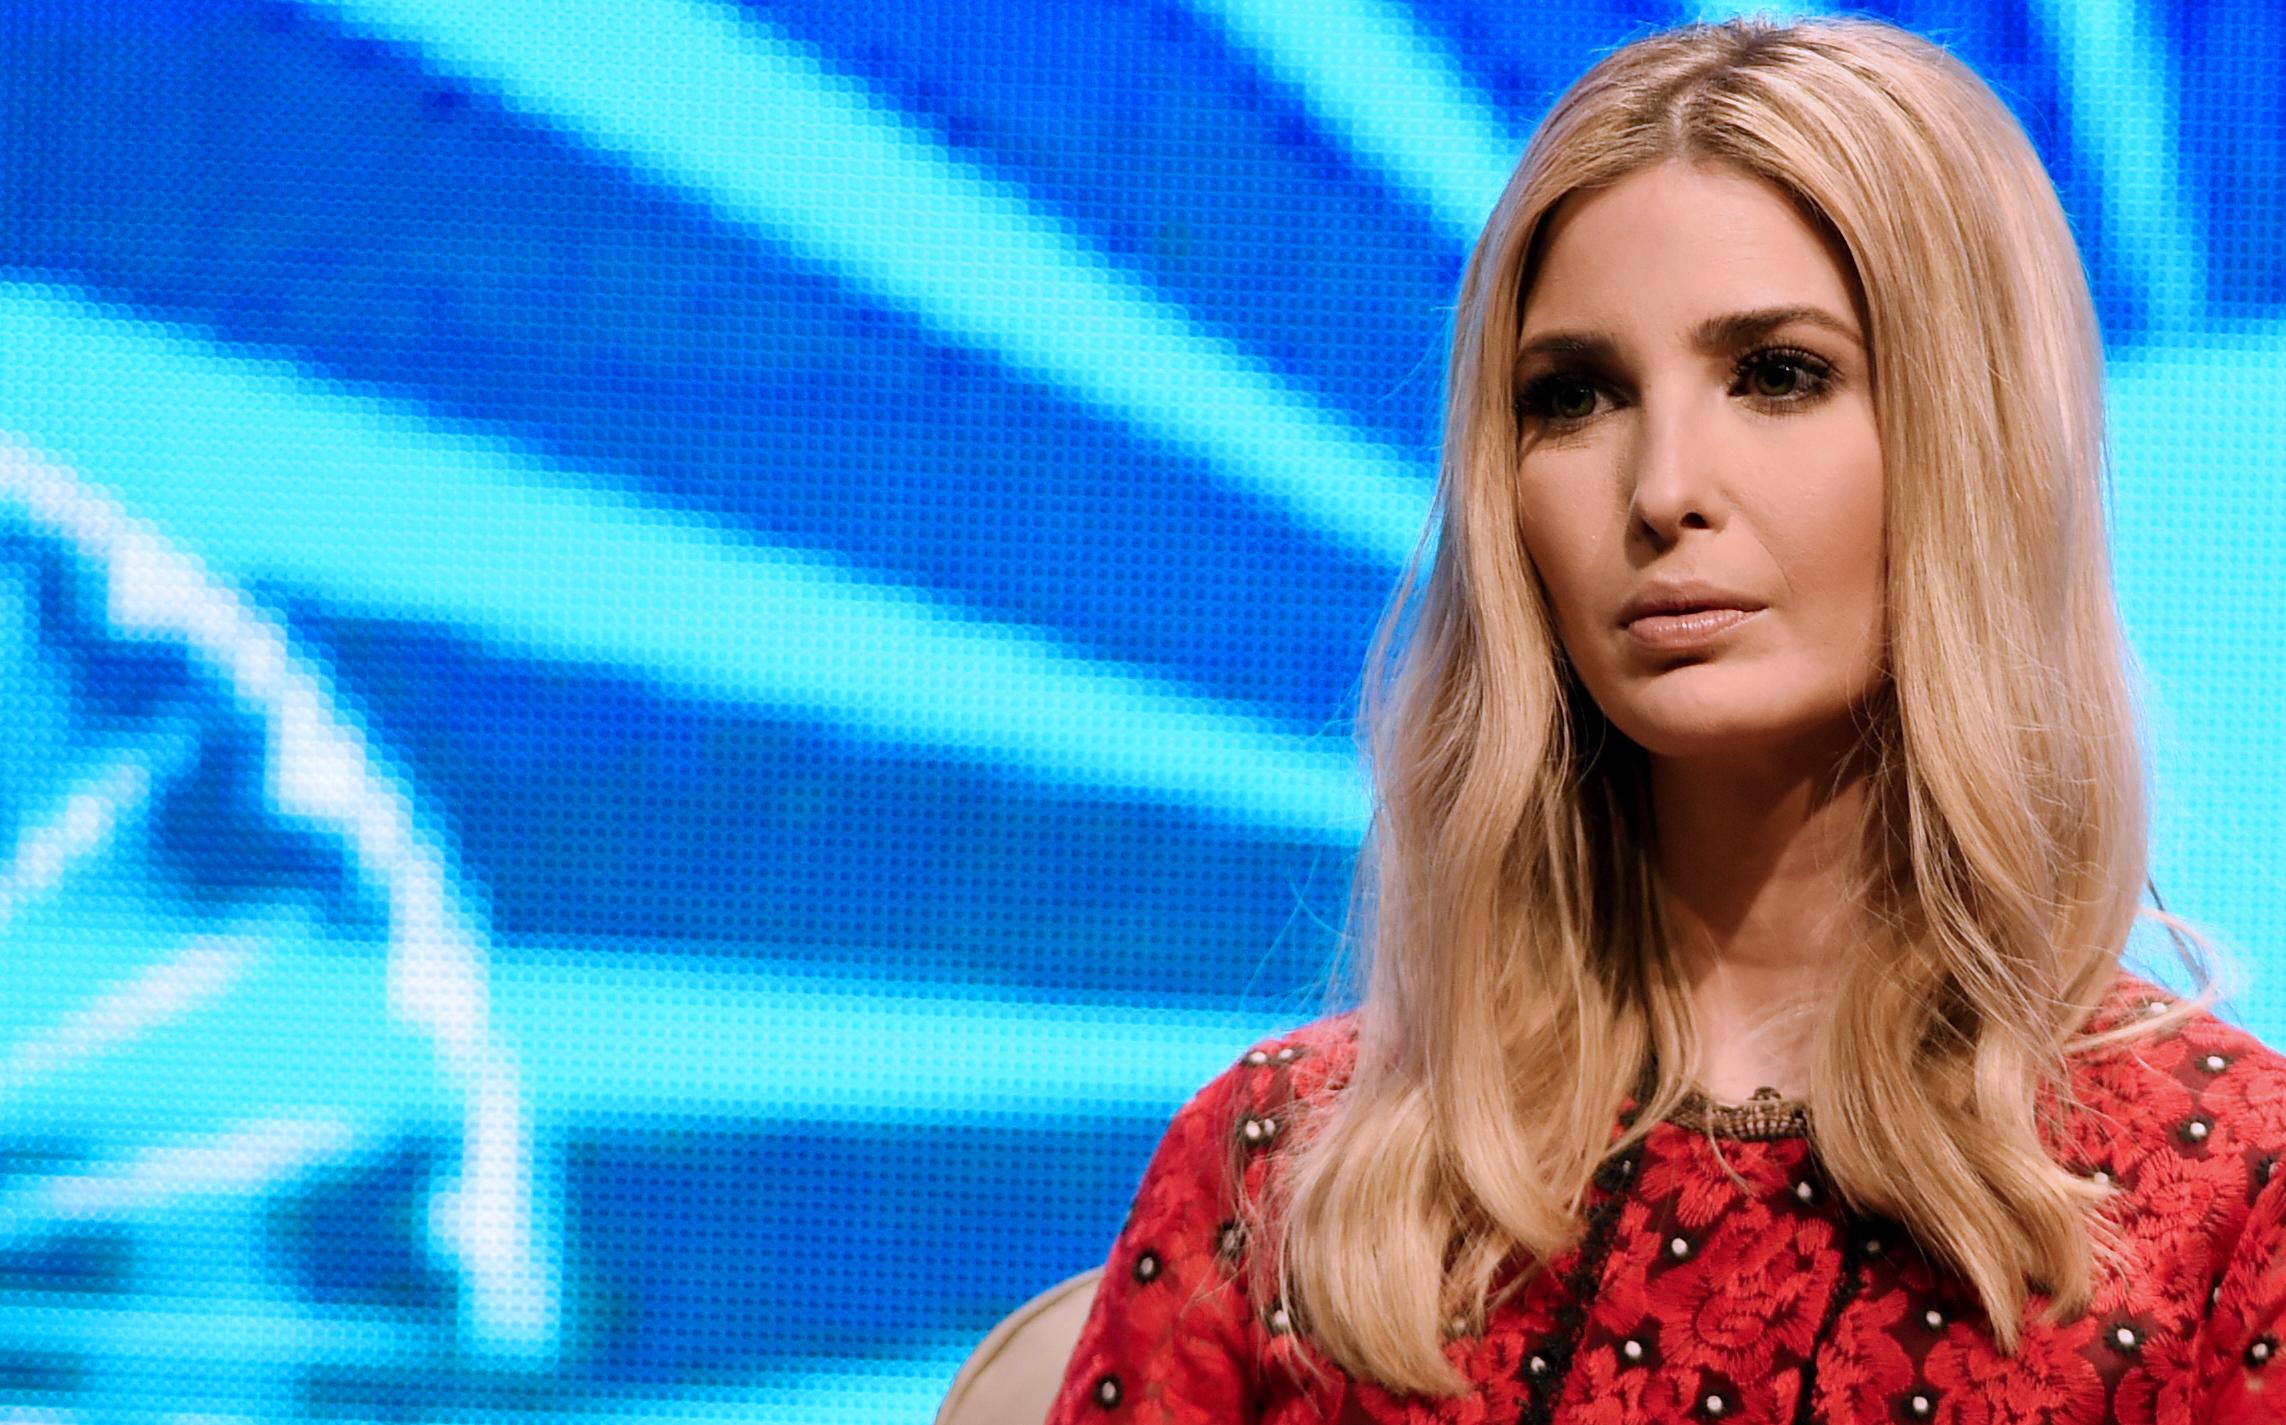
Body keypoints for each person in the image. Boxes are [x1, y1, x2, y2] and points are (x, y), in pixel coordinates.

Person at [1046, 15, 2286, 1425]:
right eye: (1571, 397)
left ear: (1973, 443)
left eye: (1776, 374)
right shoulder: (1288, 1170)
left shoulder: (2231, 1194)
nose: (1660, 487)